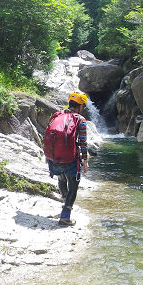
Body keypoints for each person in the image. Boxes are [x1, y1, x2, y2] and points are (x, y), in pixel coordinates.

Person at [45, 92, 89, 226]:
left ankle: (65, 204)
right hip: (70, 159)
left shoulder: (57, 115)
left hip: (54, 158)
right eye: (83, 106)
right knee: (73, 187)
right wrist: (85, 161)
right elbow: (82, 142)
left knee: (61, 179)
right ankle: (65, 216)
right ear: (80, 106)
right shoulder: (80, 119)